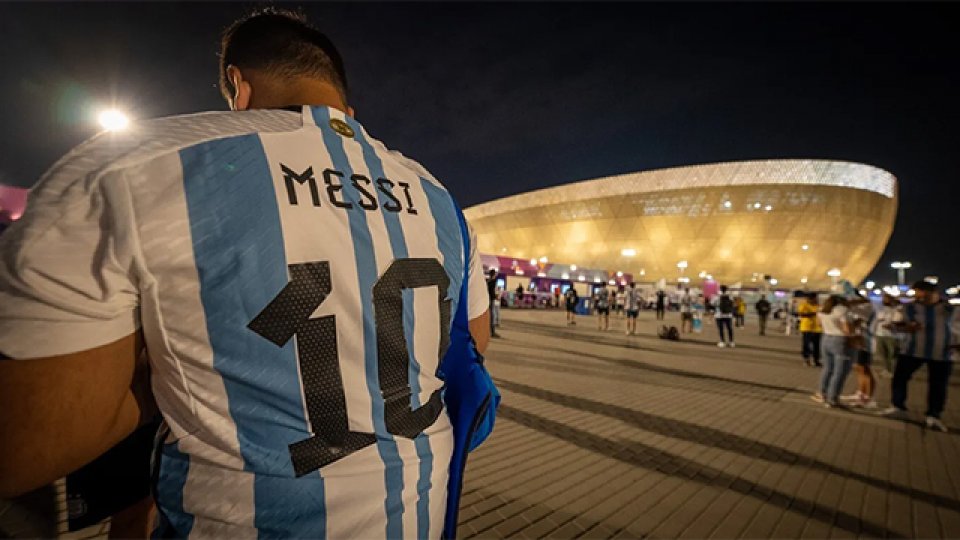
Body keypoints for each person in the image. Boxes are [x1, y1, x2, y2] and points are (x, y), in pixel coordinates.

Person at [0, 10, 499, 539]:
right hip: (416, 519)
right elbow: (474, 343)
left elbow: (23, 445)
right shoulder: (438, 199)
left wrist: (179, 372)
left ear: (238, 87)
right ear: (347, 110)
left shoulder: (135, 170)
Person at [881, 281, 959, 432]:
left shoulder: (951, 310)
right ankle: (898, 406)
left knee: (938, 385)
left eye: (924, 296)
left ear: (935, 293)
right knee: (900, 378)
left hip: (942, 353)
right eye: (917, 296)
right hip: (912, 350)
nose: (920, 299)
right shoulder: (909, 308)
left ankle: (934, 415)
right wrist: (905, 328)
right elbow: (895, 325)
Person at [812, 296, 853, 408]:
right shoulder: (842, 310)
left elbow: (819, 324)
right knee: (839, 371)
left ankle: (821, 393)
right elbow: (847, 330)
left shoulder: (822, 310)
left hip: (826, 338)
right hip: (839, 340)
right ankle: (833, 398)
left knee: (827, 368)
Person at [871, 293, 903, 378]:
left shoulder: (897, 309)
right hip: (880, 334)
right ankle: (887, 370)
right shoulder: (881, 309)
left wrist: (891, 325)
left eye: (886, 299)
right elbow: (877, 321)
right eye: (883, 299)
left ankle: (894, 372)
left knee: (892, 355)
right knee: (883, 354)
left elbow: (899, 321)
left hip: (891, 335)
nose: (884, 300)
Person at [798, 293, 823, 366]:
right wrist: (814, 313)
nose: (814, 300)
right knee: (806, 345)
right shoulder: (804, 305)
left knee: (817, 345)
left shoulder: (818, 306)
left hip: (817, 329)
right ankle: (806, 359)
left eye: (815, 299)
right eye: (812, 299)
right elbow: (802, 314)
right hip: (806, 328)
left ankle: (816, 360)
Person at [486, 268, 501, 338]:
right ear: (494, 274)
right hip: (491, 300)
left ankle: (489, 331)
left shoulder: (488, 281)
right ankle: (492, 332)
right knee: (492, 316)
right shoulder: (493, 281)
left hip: (487, 300)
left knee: (490, 315)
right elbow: (492, 292)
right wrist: (496, 297)